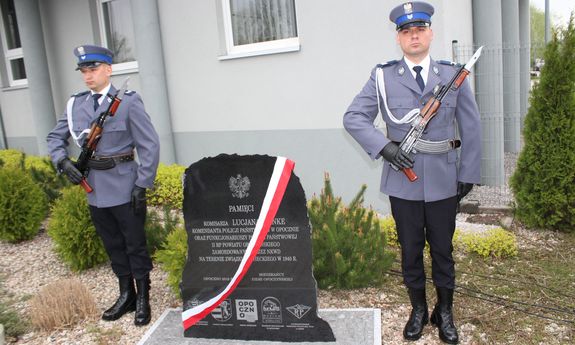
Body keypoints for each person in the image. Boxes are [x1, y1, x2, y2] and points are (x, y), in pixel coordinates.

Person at [343, 2, 481, 344]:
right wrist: (384, 147)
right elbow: (353, 117)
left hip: (444, 179)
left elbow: (472, 125)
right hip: (402, 184)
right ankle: (418, 309)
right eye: (406, 31)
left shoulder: (451, 75)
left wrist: (468, 172)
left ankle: (444, 311)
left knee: (443, 250)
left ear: (431, 33)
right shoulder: (383, 77)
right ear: (399, 38)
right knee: (410, 250)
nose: (413, 35)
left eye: (419, 29)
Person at [46, 45, 160, 326]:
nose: (88, 76)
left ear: (108, 69)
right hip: (94, 189)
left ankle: (143, 295)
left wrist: (142, 184)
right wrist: (63, 162)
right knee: (113, 244)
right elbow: (54, 138)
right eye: (84, 71)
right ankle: (126, 295)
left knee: (134, 243)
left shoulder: (128, 101)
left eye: (93, 69)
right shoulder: (76, 104)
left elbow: (149, 144)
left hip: (124, 184)